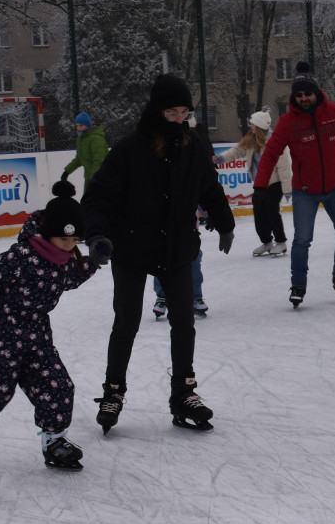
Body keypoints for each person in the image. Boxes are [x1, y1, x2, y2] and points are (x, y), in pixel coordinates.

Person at [82, 74, 235, 434]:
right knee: (127, 322)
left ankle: (184, 392)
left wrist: (224, 221)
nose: (180, 120)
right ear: (155, 111)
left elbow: (209, 187)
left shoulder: (192, 146)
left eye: (185, 112)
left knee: (183, 321)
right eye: (172, 112)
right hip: (132, 248)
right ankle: (113, 391)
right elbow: (99, 197)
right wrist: (98, 236)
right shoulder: (129, 150)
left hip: (178, 247)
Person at [0, 180, 99, 471]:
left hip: (37, 337)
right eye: (64, 240)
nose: (69, 246)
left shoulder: (65, 260)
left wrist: (95, 262)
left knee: (58, 386)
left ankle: (55, 442)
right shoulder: (21, 256)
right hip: (2, 335)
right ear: (48, 233)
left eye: (75, 242)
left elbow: (72, 279)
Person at [252, 61, 335, 308]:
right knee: (302, 239)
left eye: (307, 93)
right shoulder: (288, 122)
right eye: (298, 95)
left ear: (316, 93)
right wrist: (260, 187)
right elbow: (270, 153)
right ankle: (298, 284)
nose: (303, 98)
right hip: (305, 191)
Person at [151, 114, 218, 321]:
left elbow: (202, 194)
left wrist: (212, 214)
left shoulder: (191, 170)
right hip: (161, 228)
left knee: (193, 261)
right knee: (160, 261)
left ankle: (195, 297)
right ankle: (162, 297)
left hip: (188, 229)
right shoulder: (157, 168)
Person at [214, 108, 291, 256]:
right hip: (259, 185)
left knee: (271, 211)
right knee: (259, 213)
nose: (250, 126)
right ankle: (267, 242)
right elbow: (236, 151)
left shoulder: (274, 141)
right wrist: (221, 158)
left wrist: (287, 189)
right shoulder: (251, 140)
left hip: (275, 184)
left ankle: (281, 242)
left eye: (253, 123)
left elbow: (284, 167)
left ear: (260, 125)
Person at [61, 112, 108, 192]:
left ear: (87, 125)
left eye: (81, 125)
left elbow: (99, 161)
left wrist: (94, 179)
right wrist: (67, 171)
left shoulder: (96, 139)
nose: (78, 128)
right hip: (89, 178)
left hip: (101, 179)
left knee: (95, 202)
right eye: (77, 126)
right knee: (87, 202)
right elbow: (79, 159)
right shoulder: (82, 139)